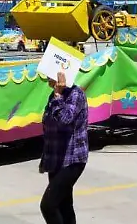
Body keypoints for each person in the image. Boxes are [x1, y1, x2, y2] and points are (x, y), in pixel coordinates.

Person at [40, 70, 88, 224]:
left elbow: (65, 119)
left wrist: (58, 96)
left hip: (72, 159)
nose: (46, 77)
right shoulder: (54, 96)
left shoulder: (75, 94)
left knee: (48, 205)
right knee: (64, 206)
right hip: (56, 159)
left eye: (49, 73)